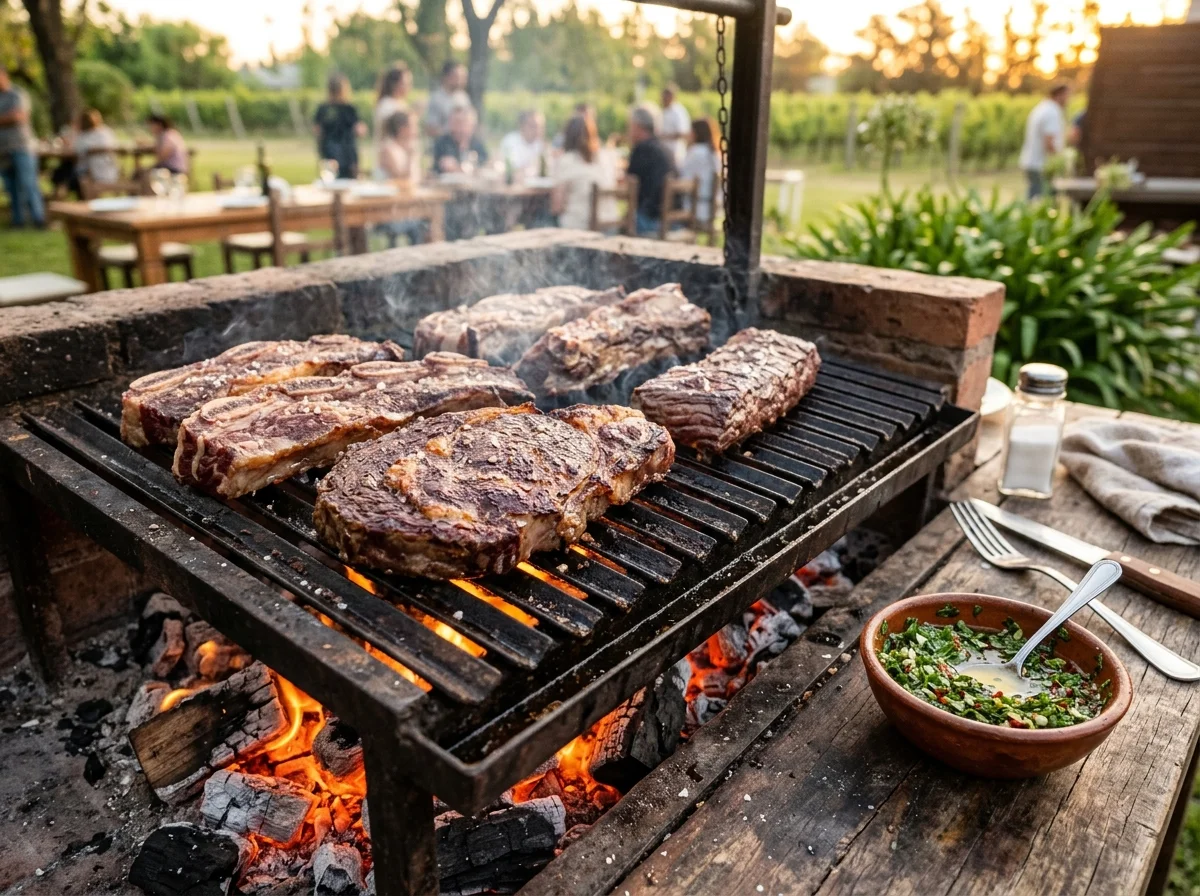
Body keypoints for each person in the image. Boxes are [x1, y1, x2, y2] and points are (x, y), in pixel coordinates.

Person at [0, 66, 46, 228]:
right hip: (2, 150)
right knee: (11, 187)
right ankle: (18, 220)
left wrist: (8, 118)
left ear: (4, 75)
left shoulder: (17, 94)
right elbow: (11, 117)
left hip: (22, 147)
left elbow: (19, 116)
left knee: (28, 183)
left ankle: (39, 219)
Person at [552, 113, 615, 231]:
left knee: (543, 220)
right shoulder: (605, 157)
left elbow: (557, 207)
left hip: (579, 229)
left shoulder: (566, 160)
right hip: (609, 227)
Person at [625, 105, 675, 237]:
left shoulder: (642, 149)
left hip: (652, 220)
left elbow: (629, 186)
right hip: (674, 220)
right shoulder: (666, 149)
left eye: (630, 125)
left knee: (621, 224)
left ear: (637, 126)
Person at [1018, 83, 1069, 199]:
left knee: (1033, 197)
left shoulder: (1041, 108)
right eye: (1067, 95)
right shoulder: (1052, 112)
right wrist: (1060, 161)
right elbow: (1049, 141)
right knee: (1042, 200)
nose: (1068, 100)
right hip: (1040, 164)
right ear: (1059, 95)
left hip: (1031, 161)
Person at [314, 73, 366, 180]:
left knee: (330, 181)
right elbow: (359, 130)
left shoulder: (324, 109)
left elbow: (317, 130)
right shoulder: (349, 108)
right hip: (347, 152)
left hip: (329, 151)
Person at [679, 117, 721, 227]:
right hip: (711, 209)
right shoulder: (715, 153)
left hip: (695, 208)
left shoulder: (696, 152)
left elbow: (683, 179)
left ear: (696, 133)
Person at [373, 64, 413, 178]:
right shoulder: (386, 105)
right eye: (406, 83)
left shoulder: (402, 104)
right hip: (391, 162)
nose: (409, 87)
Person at [73, 108, 120, 190]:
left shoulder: (84, 137)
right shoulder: (106, 132)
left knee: (67, 173)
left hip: (92, 175)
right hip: (112, 172)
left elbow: (77, 153)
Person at [433, 105, 488, 174]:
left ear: (472, 126)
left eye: (461, 123)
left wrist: (458, 167)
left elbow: (484, 162)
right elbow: (439, 167)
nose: (457, 128)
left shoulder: (477, 144)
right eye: (453, 123)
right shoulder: (443, 143)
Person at [425, 61, 470, 139]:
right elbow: (431, 129)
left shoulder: (463, 97)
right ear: (447, 77)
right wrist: (453, 132)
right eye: (458, 77)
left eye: (463, 77)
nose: (461, 80)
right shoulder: (436, 99)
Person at [498, 109, 545, 178]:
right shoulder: (510, 141)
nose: (537, 130)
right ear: (522, 126)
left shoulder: (541, 145)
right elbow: (508, 168)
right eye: (533, 126)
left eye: (540, 127)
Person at [377, 110, 419, 183]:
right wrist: (409, 157)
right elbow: (400, 179)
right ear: (402, 129)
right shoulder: (388, 149)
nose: (416, 129)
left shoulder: (407, 148)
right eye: (413, 125)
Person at [660, 84, 691, 165]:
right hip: (664, 150)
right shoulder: (664, 111)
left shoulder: (678, 112)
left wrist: (665, 136)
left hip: (676, 151)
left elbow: (683, 133)